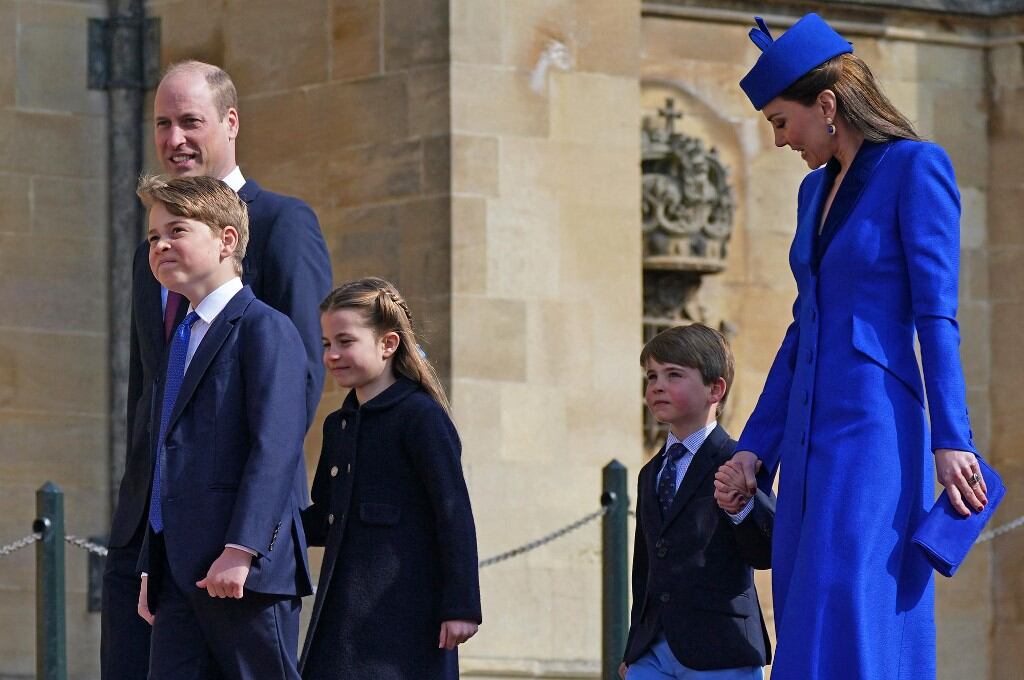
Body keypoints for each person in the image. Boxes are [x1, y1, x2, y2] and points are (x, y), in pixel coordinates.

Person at [717, 13, 989, 680]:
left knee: (852, 595)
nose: (779, 140)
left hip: (872, 431)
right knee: (805, 604)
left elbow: (937, 315)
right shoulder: (814, 191)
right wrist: (755, 445)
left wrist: (951, 438)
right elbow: (800, 327)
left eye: (782, 122)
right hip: (808, 440)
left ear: (828, 106)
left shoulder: (917, 168)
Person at [102, 61, 332, 680]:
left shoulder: (281, 225)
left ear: (229, 123)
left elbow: (299, 382)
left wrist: (247, 531)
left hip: (236, 537)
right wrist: (146, 523)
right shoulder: (151, 251)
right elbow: (146, 391)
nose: (175, 138)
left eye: (190, 121)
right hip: (151, 533)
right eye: (162, 123)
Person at [134, 174, 313, 679]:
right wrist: (154, 561)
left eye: (177, 230)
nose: (160, 245)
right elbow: (166, 456)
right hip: (178, 574)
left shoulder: (265, 328)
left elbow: (274, 448)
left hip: (243, 574)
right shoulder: (180, 341)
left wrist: (243, 548)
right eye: (153, 237)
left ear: (226, 240)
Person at [299, 278, 482, 680]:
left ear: (388, 344)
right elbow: (326, 517)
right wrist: (258, 534)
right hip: (342, 618)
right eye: (327, 344)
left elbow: (452, 514)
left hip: (406, 620)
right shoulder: (338, 425)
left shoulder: (421, 417)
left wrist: (461, 606)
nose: (332, 355)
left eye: (345, 341)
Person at [620, 325, 774, 680]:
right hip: (652, 652)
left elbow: (766, 551)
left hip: (721, 648)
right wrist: (633, 648)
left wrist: (742, 508)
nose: (657, 385)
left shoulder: (739, 460)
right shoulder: (651, 472)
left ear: (715, 389)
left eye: (674, 375)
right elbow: (644, 569)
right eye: (651, 376)